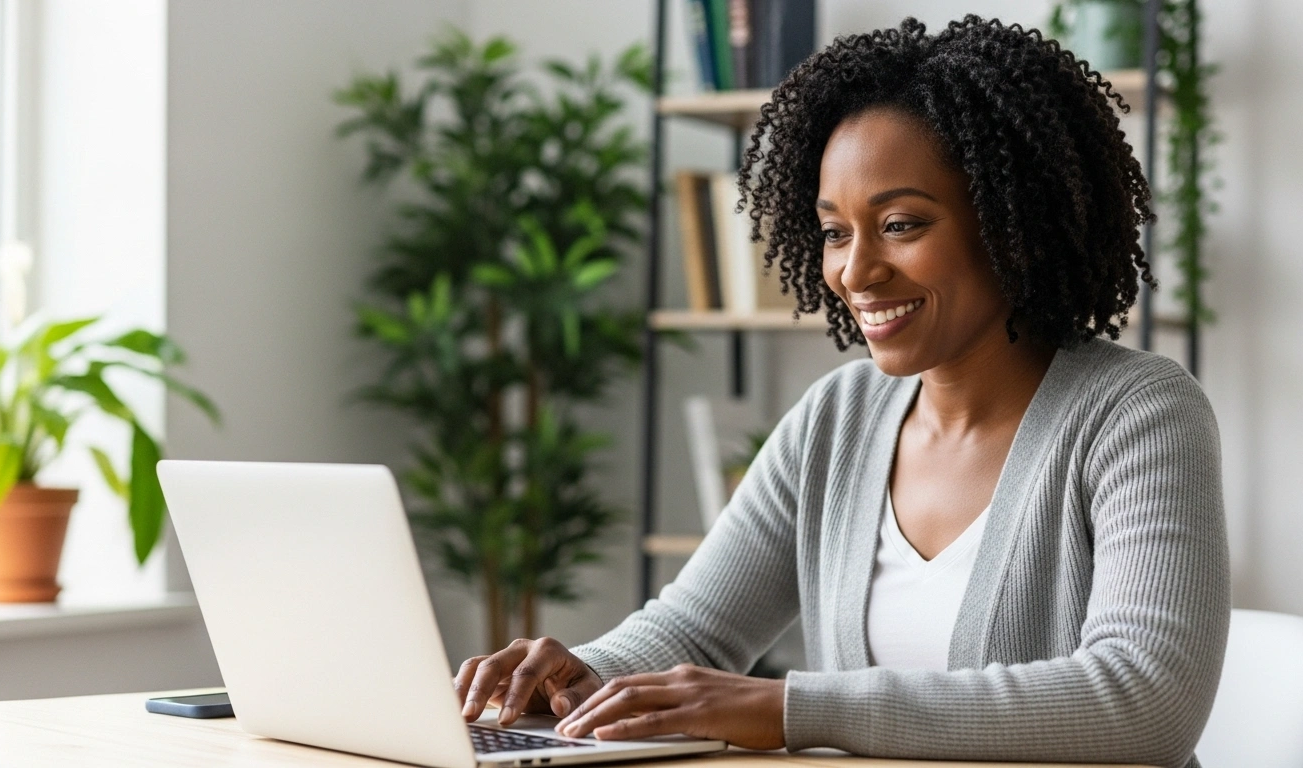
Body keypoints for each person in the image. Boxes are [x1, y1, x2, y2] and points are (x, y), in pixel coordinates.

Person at [453, 15, 1230, 768]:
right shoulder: (838, 418)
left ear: (1011, 221)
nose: (855, 272)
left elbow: (1147, 699)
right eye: (834, 231)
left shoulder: (1138, 413)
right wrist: (577, 677)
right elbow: (694, 628)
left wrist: (787, 709)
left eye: (900, 224)